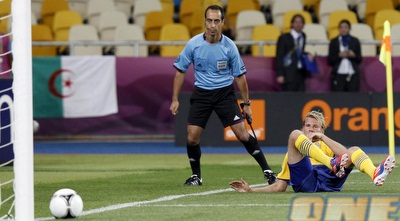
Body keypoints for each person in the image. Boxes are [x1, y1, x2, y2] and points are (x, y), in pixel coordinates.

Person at [170, 5, 276, 186]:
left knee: (242, 134)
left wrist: (247, 104)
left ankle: (268, 171)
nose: (212, 25)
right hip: (202, 94)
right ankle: (197, 176)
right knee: (191, 137)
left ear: (222, 23)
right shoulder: (194, 44)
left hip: (224, 94)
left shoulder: (229, 47)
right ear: (205, 22)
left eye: (216, 21)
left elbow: (240, 77)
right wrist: (175, 99)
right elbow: (180, 72)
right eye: (209, 21)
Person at [230, 110, 395, 193]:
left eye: (315, 126)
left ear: (322, 129)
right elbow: (280, 185)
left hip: (329, 179)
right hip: (307, 182)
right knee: (294, 135)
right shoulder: (295, 151)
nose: (310, 129)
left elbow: (346, 154)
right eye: (308, 126)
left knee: (354, 150)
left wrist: (322, 138)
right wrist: (252, 190)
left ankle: (375, 173)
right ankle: (331, 163)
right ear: (304, 127)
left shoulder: (326, 143)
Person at [275, 14, 307, 92]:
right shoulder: (284, 38)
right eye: (296, 22)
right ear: (292, 24)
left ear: (303, 24)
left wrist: (307, 55)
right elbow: (279, 56)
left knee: (300, 100)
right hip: (288, 74)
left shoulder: (303, 36)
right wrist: (280, 74)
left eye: (300, 22)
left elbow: (299, 52)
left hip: (300, 73)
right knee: (289, 100)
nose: (298, 24)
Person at [328, 19, 362, 92]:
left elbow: (359, 59)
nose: (343, 29)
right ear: (339, 29)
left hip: (352, 74)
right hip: (339, 74)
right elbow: (330, 60)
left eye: (345, 27)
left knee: (353, 98)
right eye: (341, 27)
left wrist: (353, 55)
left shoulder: (355, 41)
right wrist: (339, 55)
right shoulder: (334, 42)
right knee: (339, 98)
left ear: (349, 29)